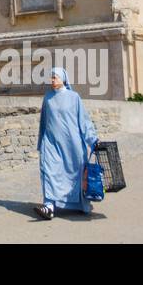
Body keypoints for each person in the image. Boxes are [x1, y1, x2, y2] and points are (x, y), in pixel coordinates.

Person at [35, 66, 99, 220]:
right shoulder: (48, 97)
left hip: (72, 145)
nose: (52, 80)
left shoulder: (74, 97)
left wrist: (92, 139)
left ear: (63, 78)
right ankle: (49, 205)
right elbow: (43, 121)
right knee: (49, 171)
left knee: (74, 175)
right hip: (51, 143)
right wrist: (41, 143)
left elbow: (83, 121)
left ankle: (80, 205)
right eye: (51, 77)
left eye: (55, 77)